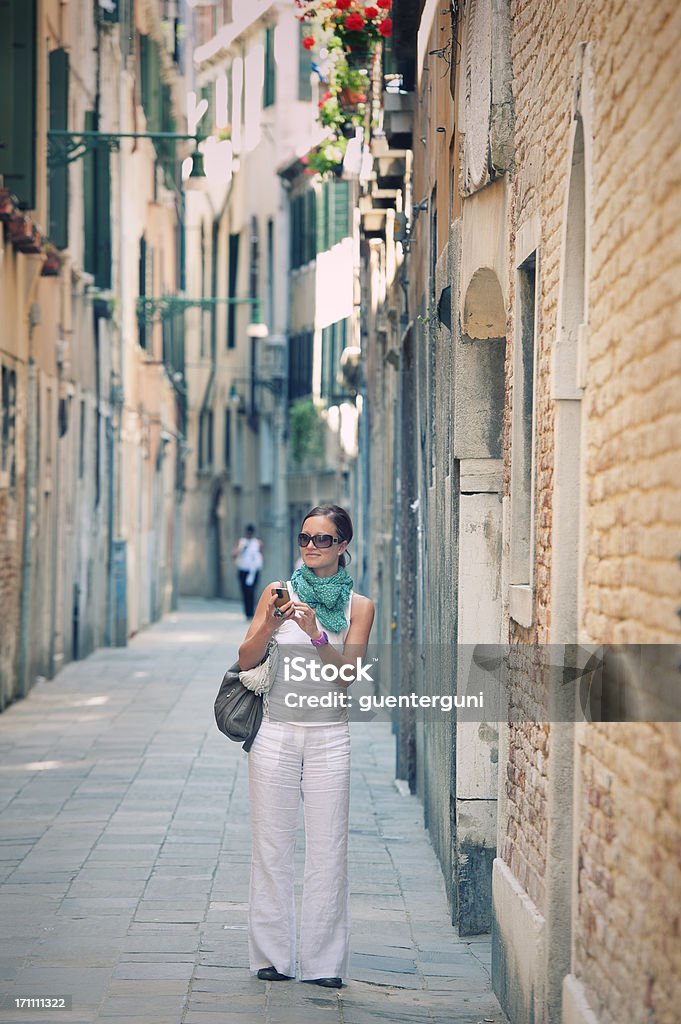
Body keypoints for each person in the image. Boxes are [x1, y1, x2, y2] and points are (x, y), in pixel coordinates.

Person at [237, 504, 375, 989]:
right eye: (304, 538)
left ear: (342, 546)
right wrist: (273, 624)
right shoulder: (278, 593)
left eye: (322, 539)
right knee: (271, 846)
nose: (310, 547)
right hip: (274, 732)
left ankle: (323, 964)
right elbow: (245, 656)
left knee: (328, 849)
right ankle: (271, 956)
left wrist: (316, 631)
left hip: (329, 738)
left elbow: (346, 678)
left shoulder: (359, 607)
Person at [232, 524, 264, 619]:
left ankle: (251, 612)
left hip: (253, 571)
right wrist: (241, 549)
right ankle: (247, 612)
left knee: (252, 591)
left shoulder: (257, 543)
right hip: (243, 570)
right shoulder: (241, 542)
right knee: (245, 591)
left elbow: (260, 555)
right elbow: (234, 554)